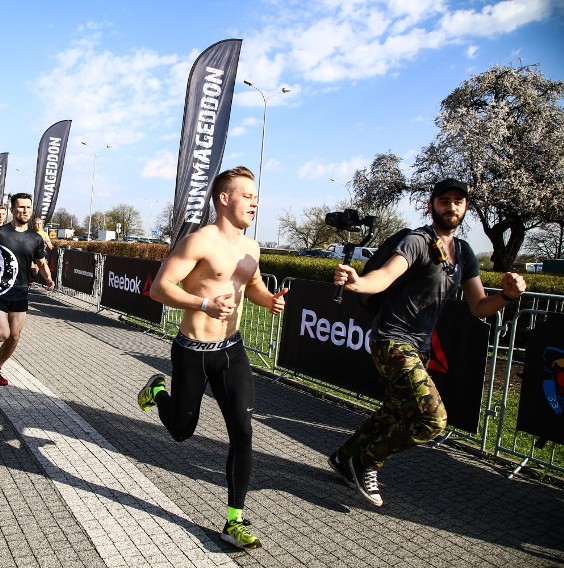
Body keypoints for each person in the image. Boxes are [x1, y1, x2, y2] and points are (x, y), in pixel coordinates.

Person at [329, 178, 527, 508]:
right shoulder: (417, 241)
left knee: (395, 411)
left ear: (466, 208)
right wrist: (360, 282)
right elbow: (387, 275)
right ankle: (366, 462)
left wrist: (507, 295)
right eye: (444, 200)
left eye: (458, 201)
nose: (452, 206)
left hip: (417, 347)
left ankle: (343, 456)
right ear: (432, 204)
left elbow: (479, 306)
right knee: (433, 419)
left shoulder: (463, 252)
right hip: (391, 341)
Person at [137, 166, 287, 549]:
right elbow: (159, 288)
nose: (255, 202)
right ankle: (157, 393)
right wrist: (203, 303)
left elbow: (250, 286)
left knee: (243, 432)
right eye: (247, 195)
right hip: (192, 352)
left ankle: (234, 520)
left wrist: (268, 300)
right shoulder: (198, 241)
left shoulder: (252, 248)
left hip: (232, 352)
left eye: (256, 197)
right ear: (224, 198)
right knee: (182, 431)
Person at [0, 193, 54, 386]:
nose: (25, 211)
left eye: (28, 208)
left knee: (14, 336)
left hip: (21, 292)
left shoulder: (35, 238)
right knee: (1, 335)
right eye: (21, 207)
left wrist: (48, 278)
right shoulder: (0, 233)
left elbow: (40, 262)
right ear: (13, 209)